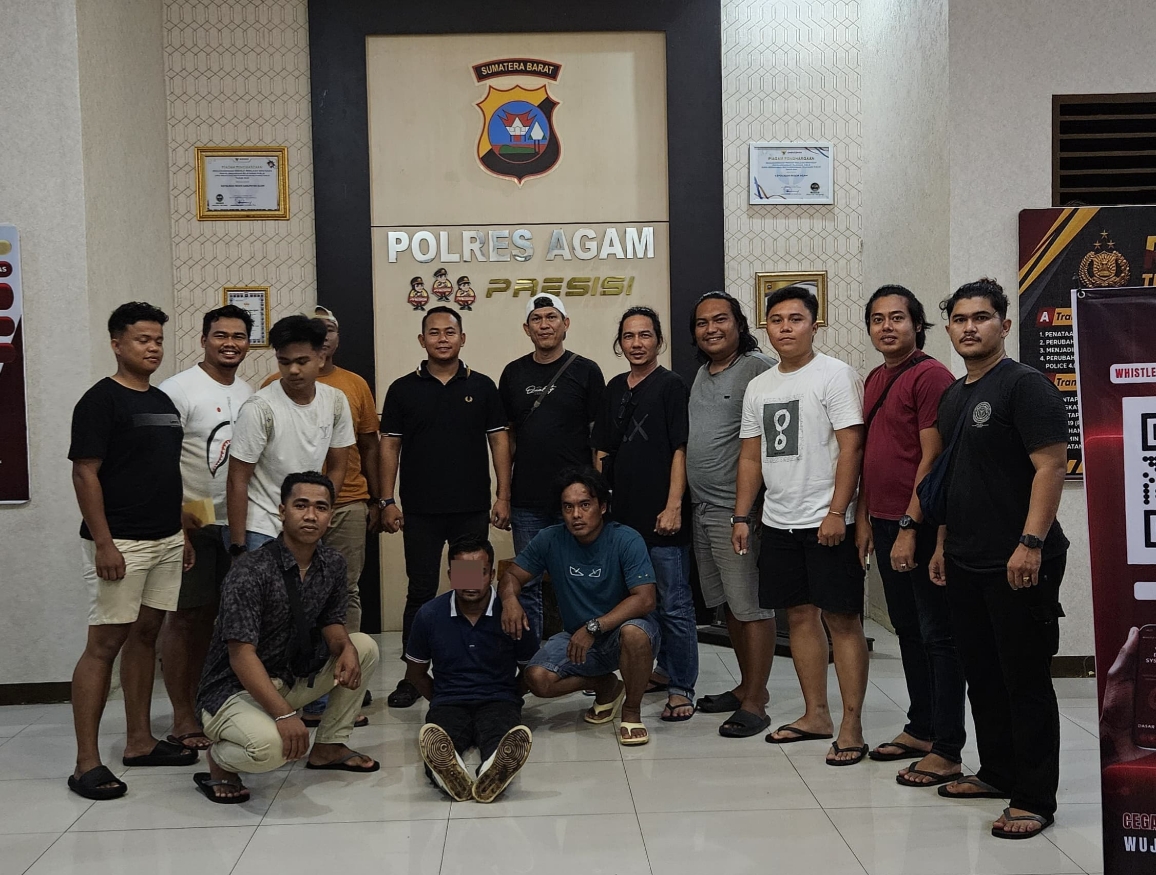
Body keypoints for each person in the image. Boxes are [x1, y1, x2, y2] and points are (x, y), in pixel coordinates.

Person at [929, 278, 1069, 839]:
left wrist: (1030, 543)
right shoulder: (954, 395)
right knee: (983, 676)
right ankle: (996, 773)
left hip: (1019, 559)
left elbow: (1050, 467)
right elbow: (951, 477)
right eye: (960, 319)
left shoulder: (1025, 386)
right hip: (966, 558)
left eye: (981, 318)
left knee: (1024, 679)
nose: (969, 327)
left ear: (1004, 325)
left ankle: (1033, 798)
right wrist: (942, 543)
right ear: (949, 328)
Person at [67, 302, 197, 801]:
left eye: (158, 340)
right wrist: (103, 542)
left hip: (166, 538)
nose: (153, 348)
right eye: (143, 340)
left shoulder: (162, 401)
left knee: (146, 635)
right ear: (117, 344)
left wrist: (182, 531)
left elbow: (164, 472)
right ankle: (85, 762)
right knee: (104, 645)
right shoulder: (99, 401)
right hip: (119, 542)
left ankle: (140, 742)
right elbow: (85, 473)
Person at [738, 285, 870, 764]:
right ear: (766, 328)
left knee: (842, 620)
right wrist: (742, 514)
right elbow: (750, 457)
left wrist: (837, 511)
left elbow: (853, 447)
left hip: (827, 520)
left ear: (815, 325)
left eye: (795, 319)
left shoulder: (835, 375)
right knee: (797, 617)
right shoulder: (760, 386)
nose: (785, 328)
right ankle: (817, 714)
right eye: (776, 320)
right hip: (778, 520)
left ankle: (851, 725)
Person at [193, 471, 379, 803]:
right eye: (301, 505)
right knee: (273, 750)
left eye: (321, 507)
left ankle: (328, 747)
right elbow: (241, 655)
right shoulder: (250, 571)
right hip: (232, 691)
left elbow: (332, 622)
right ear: (282, 511)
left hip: (288, 678)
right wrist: (285, 715)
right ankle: (220, 761)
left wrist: (345, 647)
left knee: (363, 647)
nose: (311, 515)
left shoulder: (332, 564)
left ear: (330, 516)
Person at [852, 286, 966, 785]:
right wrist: (865, 518)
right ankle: (921, 728)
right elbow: (871, 456)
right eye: (878, 319)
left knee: (938, 635)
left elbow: (933, 458)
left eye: (897, 317)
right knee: (910, 631)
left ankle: (947, 745)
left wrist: (909, 526)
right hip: (883, 521)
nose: (887, 327)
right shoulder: (877, 377)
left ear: (918, 324)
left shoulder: (930, 375)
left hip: (917, 524)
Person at [380, 306, 512, 708]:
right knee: (420, 592)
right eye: (434, 332)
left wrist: (503, 495)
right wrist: (387, 499)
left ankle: (474, 668)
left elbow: (499, 442)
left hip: (469, 510)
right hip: (420, 512)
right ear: (422, 340)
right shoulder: (403, 389)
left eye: (450, 332)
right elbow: (390, 446)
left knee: (470, 590)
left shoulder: (482, 386)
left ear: (462, 338)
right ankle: (412, 676)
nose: (442, 338)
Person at [260, 306, 380, 724]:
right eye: (319, 330)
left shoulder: (353, 386)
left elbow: (368, 445)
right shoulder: (272, 389)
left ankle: (347, 679)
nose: (325, 337)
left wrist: (379, 499)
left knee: (345, 590)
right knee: (295, 595)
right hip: (296, 512)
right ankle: (301, 683)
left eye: (331, 329)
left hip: (349, 503)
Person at [500, 467, 660, 746]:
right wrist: (510, 600)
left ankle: (632, 711)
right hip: (577, 637)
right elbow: (511, 576)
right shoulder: (550, 538)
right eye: (568, 507)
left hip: (622, 633)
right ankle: (605, 685)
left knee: (634, 633)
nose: (576, 514)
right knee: (537, 679)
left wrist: (594, 627)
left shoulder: (626, 539)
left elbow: (645, 599)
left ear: (602, 506)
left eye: (585, 505)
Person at [158, 305, 254, 752]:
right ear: (203, 340)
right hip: (192, 521)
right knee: (185, 618)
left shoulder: (250, 392)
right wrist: (176, 518)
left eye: (238, 336)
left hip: (238, 523)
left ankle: (211, 703)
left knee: (221, 620)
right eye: (220, 335)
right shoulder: (177, 390)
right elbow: (159, 461)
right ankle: (182, 716)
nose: (229, 343)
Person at [593, 307, 697, 722]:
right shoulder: (614, 387)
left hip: (662, 515)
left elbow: (680, 448)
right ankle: (661, 669)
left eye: (645, 335)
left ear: (659, 341)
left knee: (674, 603)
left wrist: (673, 505)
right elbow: (602, 449)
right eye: (629, 336)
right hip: (622, 517)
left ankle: (681, 686)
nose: (637, 343)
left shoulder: (672, 386)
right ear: (620, 343)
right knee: (641, 603)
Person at [685, 292, 778, 737]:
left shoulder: (758, 369)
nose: (711, 329)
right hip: (702, 509)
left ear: (739, 324)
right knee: (729, 607)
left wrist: (750, 510)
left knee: (751, 606)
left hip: (736, 511)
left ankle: (757, 701)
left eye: (720, 319)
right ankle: (745, 686)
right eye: (702, 323)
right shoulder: (702, 373)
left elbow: (770, 443)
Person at [499, 293, 605, 641]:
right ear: (526, 328)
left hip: (576, 501)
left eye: (551, 317)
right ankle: (533, 658)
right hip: (527, 500)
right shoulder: (512, 373)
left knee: (581, 579)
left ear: (565, 324)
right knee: (528, 582)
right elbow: (507, 439)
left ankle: (586, 656)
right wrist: (504, 495)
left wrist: (598, 495)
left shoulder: (587, 370)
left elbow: (599, 440)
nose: (544, 325)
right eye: (537, 319)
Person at [405, 535, 536, 803]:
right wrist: (441, 697)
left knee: (500, 738)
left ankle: (492, 770)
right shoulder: (429, 615)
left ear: (492, 575)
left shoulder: (513, 614)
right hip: (449, 702)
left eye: (480, 573)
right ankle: (448, 774)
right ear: (450, 575)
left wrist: (511, 695)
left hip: (499, 700)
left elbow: (529, 672)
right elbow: (415, 674)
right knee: (441, 743)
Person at [226, 315, 354, 558]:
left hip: (307, 525)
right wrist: (238, 546)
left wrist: (319, 512)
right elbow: (237, 479)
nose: (293, 370)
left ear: (320, 357)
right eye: (284, 362)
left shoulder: (336, 401)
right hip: (261, 526)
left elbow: (338, 467)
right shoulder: (259, 408)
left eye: (302, 361)